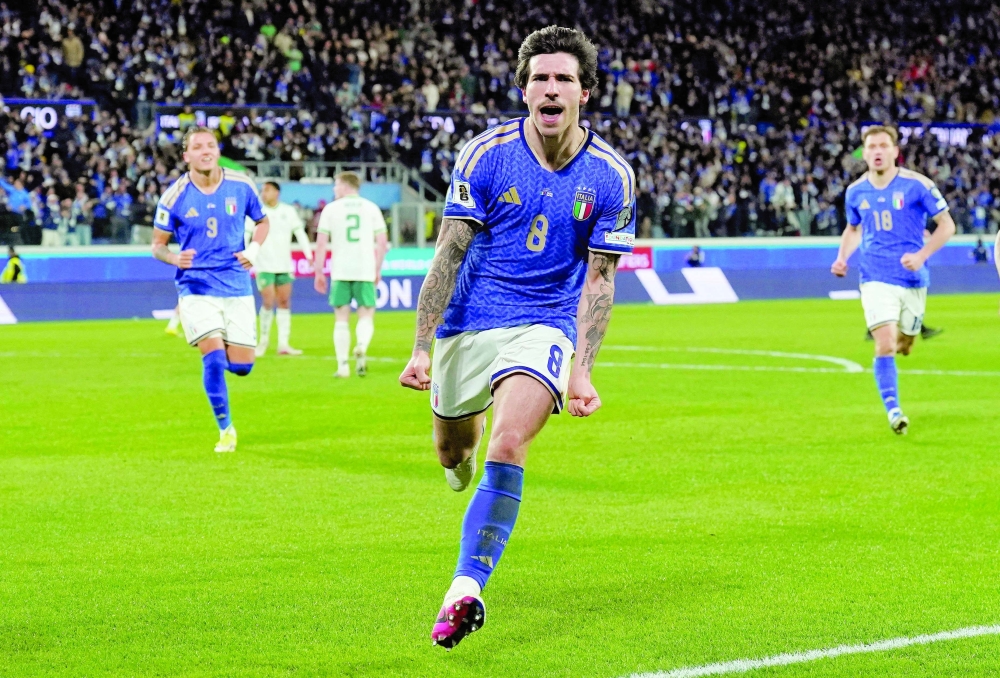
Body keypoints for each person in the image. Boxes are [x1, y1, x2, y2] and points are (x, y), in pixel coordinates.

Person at [397, 26, 636, 649]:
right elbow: (448, 254)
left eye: (562, 79)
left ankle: (465, 589)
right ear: (524, 89)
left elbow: (601, 279)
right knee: (455, 453)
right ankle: (458, 458)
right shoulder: (485, 154)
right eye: (539, 78)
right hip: (466, 324)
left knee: (508, 442)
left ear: (585, 92)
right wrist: (422, 347)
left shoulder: (611, 176)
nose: (550, 89)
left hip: (545, 324)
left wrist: (582, 367)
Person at [151, 127, 270, 453]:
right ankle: (226, 429)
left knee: (243, 367)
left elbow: (263, 222)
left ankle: (214, 365)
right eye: (197, 147)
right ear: (186, 155)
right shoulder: (174, 196)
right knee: (214, 359)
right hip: (196, 287)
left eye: (211, 145)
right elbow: (157, 246)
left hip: (236, 284)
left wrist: (254, 252)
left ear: (217, 150)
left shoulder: (241, 184)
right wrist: (174, 257)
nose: (205, 151)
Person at [831, 125, 956, 435]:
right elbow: (853, 228)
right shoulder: (855, 191)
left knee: (905, 343)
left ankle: (908, 340)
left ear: (894, 151)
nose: (876, 151)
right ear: (865, 152)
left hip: (913, 277)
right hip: (874, 276)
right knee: (884, 344)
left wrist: (922, 255)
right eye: (870, 146)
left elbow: (947, 225)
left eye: (882, 145)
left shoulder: (918, 185)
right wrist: (842, 257)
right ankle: (894, 411)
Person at [313, 172, 388, 377]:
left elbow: (321, 244)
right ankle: (362, 345)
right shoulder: (371, 207)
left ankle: (343, 366)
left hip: (340, 270)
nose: (334, 189)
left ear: (346, 186)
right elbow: (382, 243)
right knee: (366, 313)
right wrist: (378, 268)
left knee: (341, 318)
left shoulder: (330, 209)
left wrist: (319, 271)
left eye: (336, 185)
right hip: (365, 269)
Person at [252, 181, 314, 356]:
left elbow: (300, 233)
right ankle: (263, 341)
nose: (264, 193)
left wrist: (308, 254)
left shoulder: (288, 211)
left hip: (284, 264)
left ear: (277, 192)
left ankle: (283, 344)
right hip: (264, 264)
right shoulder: (257, 212)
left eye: (267, 190)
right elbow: (247, 234)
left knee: (285, 302)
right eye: (263, 190)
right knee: (268, 300)